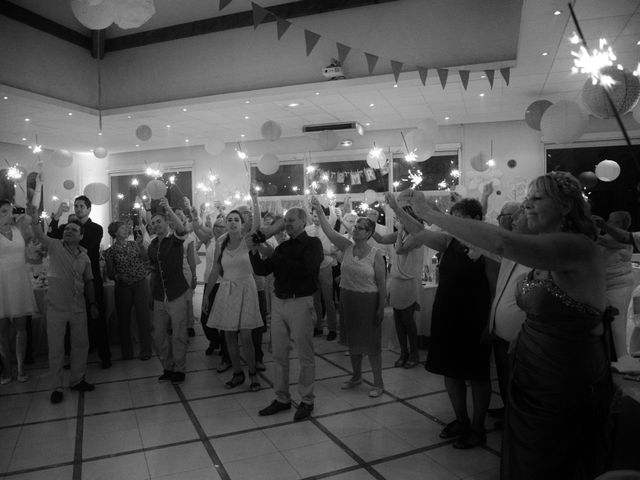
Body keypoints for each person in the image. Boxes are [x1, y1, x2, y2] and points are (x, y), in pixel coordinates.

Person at [394, 172, 613, 478]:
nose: (528, 205)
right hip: (531, 368)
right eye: (527, 200)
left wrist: (430, 212)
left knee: (556, 458)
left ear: (565, 207)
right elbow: (486, 244)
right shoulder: (540, 250)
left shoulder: (576, 247)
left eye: (537, 199)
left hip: (565, 375)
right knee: (526, 453)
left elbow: (499, 241)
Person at [388, 195, 492, 449]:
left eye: (458, 218)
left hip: (475, 315)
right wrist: (397, 210)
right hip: (447, 312)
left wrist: (490, 323)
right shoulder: (449, 241)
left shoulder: (489, 245)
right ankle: (461, 420)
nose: (452, 223)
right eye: (452, 218)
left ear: (476, 220)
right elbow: (419, 231)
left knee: (477, 374)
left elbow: (494, 285)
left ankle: (478, 427)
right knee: (450, 370)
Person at [248, 207, 323, 422]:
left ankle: (307, 400)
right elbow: (263, 270)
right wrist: (254, 251)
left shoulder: (313, 244)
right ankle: (282, 398)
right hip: (279, 302)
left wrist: (273, 255)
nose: (286, 225)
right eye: (285, 222)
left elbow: (303, 269)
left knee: (304, 354)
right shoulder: (283, 247)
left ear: (303, 221)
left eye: (291, 221)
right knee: (279, 354)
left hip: (300, 302)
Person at [312, 197, 387, 396]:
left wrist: (381, 308)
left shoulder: (376, 254)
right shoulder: (347, 246)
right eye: (355, 226)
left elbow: (381, 283)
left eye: (361, 228)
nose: (355, 229)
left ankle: (378, 382)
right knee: (353, 341)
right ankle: (356, 376)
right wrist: (320, 211)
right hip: (348, 299)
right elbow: (329, 231)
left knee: (370, 344)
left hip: (368, 301)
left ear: (369, 233)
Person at [29, 206, 98, 404]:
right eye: (67, 228)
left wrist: (92, 303)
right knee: (57, 349)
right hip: (56, 308)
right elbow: (39, 235)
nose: (68, 231)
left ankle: (77, 379)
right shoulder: (55, 245)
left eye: (73, 230)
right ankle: (56, 386)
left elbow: (89, 281)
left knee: (80, 345)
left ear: (81, 236)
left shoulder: (85, 256)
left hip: (78, 308)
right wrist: (35, 219)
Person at [49, 196, 112, 369]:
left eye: (82, 206)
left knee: (97, 316)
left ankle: (104, 355)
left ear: (89, 209)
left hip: (91, 278)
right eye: (76, 206)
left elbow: (88, 245)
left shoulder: (96, 228)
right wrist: (57, 216)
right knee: (72, 319)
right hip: (70, 280)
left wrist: (67, 241)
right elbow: (52, 237)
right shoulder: (66, 228)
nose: (78, 209)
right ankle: (71, 357)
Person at [202, 210, 262, 391]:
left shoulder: (248, 240)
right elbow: (215, 270)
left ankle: (253, 374)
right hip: (227, 290)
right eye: (230, 220)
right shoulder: (221, 242)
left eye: (237, 220)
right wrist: (206, 294)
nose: (233, 222)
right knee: (229, 334)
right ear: (226, 224)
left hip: (246, 289)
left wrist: (255, 198)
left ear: (243, 224)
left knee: (246, 336)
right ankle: (237, 373)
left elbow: (258, 224)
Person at [485, 202, 529, 425]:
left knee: (518, 380)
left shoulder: (534, 251)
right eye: (504, 216)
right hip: (500, 330)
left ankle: (517, 418)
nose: (509, 220)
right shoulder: (509, 248)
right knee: (503, 375)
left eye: (513, 217)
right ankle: (507, 410)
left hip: (519, 336)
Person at [375, 208, 425, 369]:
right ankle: (403, 352)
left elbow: (399, 249)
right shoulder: (400, 234)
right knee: (398, 319)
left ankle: (414, 353)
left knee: (408, 320)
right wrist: (370, 227)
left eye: (401, 218)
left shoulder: (418, 236)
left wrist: (401, 229)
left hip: (409, 281)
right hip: (396, 280)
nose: (398, 220)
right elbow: (381, 239)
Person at [147, 198, 190, 384]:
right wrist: (151, 295)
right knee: (159, 335)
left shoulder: (174, 240)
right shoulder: (152, 246)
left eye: (159, 222)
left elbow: (182, 229)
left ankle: (180, 368)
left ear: (166, 223)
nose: (156, 225)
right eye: (153, 223)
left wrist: (169, 209)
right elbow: (154, 272)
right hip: (158, 295)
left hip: (176, 292)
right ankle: (167, 367)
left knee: (179, 333)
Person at [0, 200, 38, 384]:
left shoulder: (20, 230)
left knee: (21, 329)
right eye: (4, 211)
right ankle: (6, 369)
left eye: (10, 210)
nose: (10, 214)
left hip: (19, 280)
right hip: (1, 283)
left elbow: (33, 253)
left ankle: (21, 367)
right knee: (2, 331)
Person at [104, 221, 153, 361]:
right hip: (123, 286)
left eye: (125, 228)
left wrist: (141, 245)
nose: (125, 229)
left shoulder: (134, 244)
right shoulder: (110, 252)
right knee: (124, 320)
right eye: (121, 228)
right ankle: (127, 352)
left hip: (140, 283)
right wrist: (119, 277)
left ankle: (146, 350)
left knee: (143, 317)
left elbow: (145, 259)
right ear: (114, 232)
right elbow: (110, 273)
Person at [594, 211, 635, 359]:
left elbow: (603, 242)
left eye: (611, 221)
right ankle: (611, 357)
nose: (608, 223)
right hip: (606, 285)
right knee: (608, 324)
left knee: (617, 324)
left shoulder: (623, 239)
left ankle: (621, 357)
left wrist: (589, 230)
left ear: (618, 224)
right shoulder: (609, 237)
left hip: (619, 286)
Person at [306, 204, 338, 340]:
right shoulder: (307, 229)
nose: (316, 219)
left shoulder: (327, 228)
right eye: (314, 216)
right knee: (315, 300)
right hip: (312, 268)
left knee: (328, 299)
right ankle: (318, 326)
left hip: (325, 265)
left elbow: (334, 217)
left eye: (319, 216)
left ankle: (332, 328)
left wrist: (330, 205)